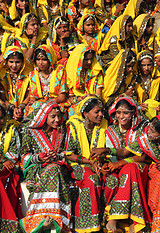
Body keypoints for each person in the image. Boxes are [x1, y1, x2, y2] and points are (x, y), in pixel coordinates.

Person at [91, 96, 151, 233]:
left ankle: (117, 218)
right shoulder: (111, 130)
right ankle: (125, 221)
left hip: (138, 166)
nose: (121, 116)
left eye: (126, 112)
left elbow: (142, 156)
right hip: (116, 166)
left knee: (129, 169)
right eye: (118, 112)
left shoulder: (142, 128)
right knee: (110, 178)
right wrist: (106, 164)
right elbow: (107, 155)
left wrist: (120, 163)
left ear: (133, 112)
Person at [19, 100, 71, 233]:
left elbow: (66, 153)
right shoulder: (30, 131)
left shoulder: (61, 131)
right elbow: (24, 156)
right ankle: (47, 219)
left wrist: (57, 156)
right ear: (44, 116)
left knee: (54, 169)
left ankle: (49, 219)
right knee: (53, 170)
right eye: (53, 116)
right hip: (36, 168)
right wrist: (38, 158)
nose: (57, 120)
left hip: (57, 167)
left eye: (58, 116)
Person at [65, 96, 109, 233]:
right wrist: (89, 161)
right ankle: (86, 225)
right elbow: (69, 154)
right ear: (85, 113)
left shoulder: (104, 125)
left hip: (97, 164)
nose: (101, 115)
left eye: (101, 111)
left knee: (111, 179)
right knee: (92, 179)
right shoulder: (73, 125)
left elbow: (106, 149)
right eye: (97, 112)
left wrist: (100, 161)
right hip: (77, 165)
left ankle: (106, 221)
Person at [0, 104, 23, 232]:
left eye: (1, 118)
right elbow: (4, 159)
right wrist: (1, 159)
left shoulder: (12, 130)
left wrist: (3, 160)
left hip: (7, 168)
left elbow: (14, 154)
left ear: (6, 117)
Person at [27, 45, 68, 115]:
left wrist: (46, 104)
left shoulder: (59, 72)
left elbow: (62, 97)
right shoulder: (33, 75)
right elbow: (32, 97)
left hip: (56, 104)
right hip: (39, 105)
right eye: (38, 59)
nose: (40, 63)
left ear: (50, 59)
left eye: (44, 59)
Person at [66, 44, 104, 116]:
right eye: (86, 59)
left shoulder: (96, 73)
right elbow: (70, 99)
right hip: (77, 103)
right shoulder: (71, 74)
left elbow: (99, 95)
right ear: (79, 59)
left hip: (94, 103)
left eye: (91, 59)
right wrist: (80, 99)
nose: (89, 62)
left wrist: (91, 96)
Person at [0, 46, 33, 121]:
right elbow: (2, 98)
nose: (14, 66)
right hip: (6, 106)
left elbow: (29, 95)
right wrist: (12, 108)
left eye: (17, 62)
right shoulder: (2, 76)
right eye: (11, 62)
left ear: (22, 62)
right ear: (6, 61)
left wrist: (20, 107)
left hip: (24, 106)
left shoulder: (28, 75)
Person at [135, 50, 160, 118]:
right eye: (143, 65)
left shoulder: (157, 79)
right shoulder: (134, 80)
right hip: (139, 115)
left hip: (156, 113)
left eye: (149, 65)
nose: (146, 68)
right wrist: (138, 106)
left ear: (153, 64)